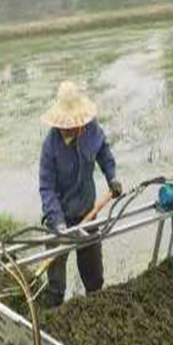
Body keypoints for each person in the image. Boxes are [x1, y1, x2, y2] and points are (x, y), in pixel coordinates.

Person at [39, 80, 122, 307]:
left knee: (94, 280)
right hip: (59, 220)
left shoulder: (92, 130)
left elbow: (104, 152)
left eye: (73, 125)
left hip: (88, 214)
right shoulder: (50, 146)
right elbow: (47, 188)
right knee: (56, 288)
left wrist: (111, 177)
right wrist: (59, 225)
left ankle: (95, 310)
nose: (70, 129)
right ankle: (53, 317)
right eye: (65, 125)